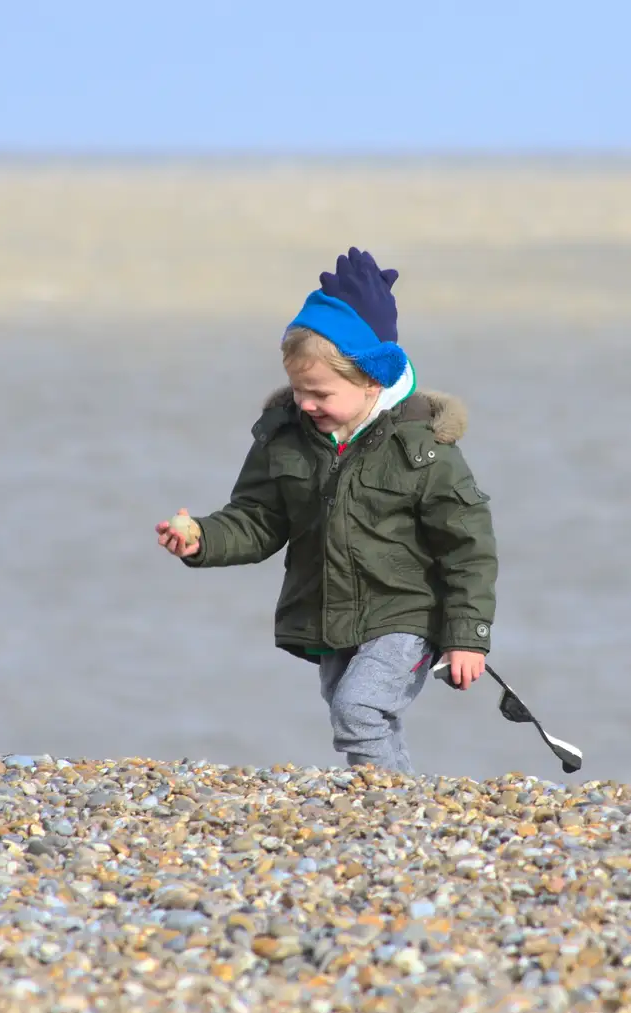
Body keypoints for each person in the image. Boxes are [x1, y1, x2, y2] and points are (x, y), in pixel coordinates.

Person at [155, 247, 498, 775]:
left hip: (408, 614)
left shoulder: (424, 450)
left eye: (319, 393)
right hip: (332, 614)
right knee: (360, 713)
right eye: (297, 389)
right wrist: (202, 538)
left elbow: (468, 550)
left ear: (371, 380)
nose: (305, 403)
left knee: (357, 710)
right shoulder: (285, 438)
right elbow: (258, 518)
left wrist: (466, 636)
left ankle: (387, 805)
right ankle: (400, 804)